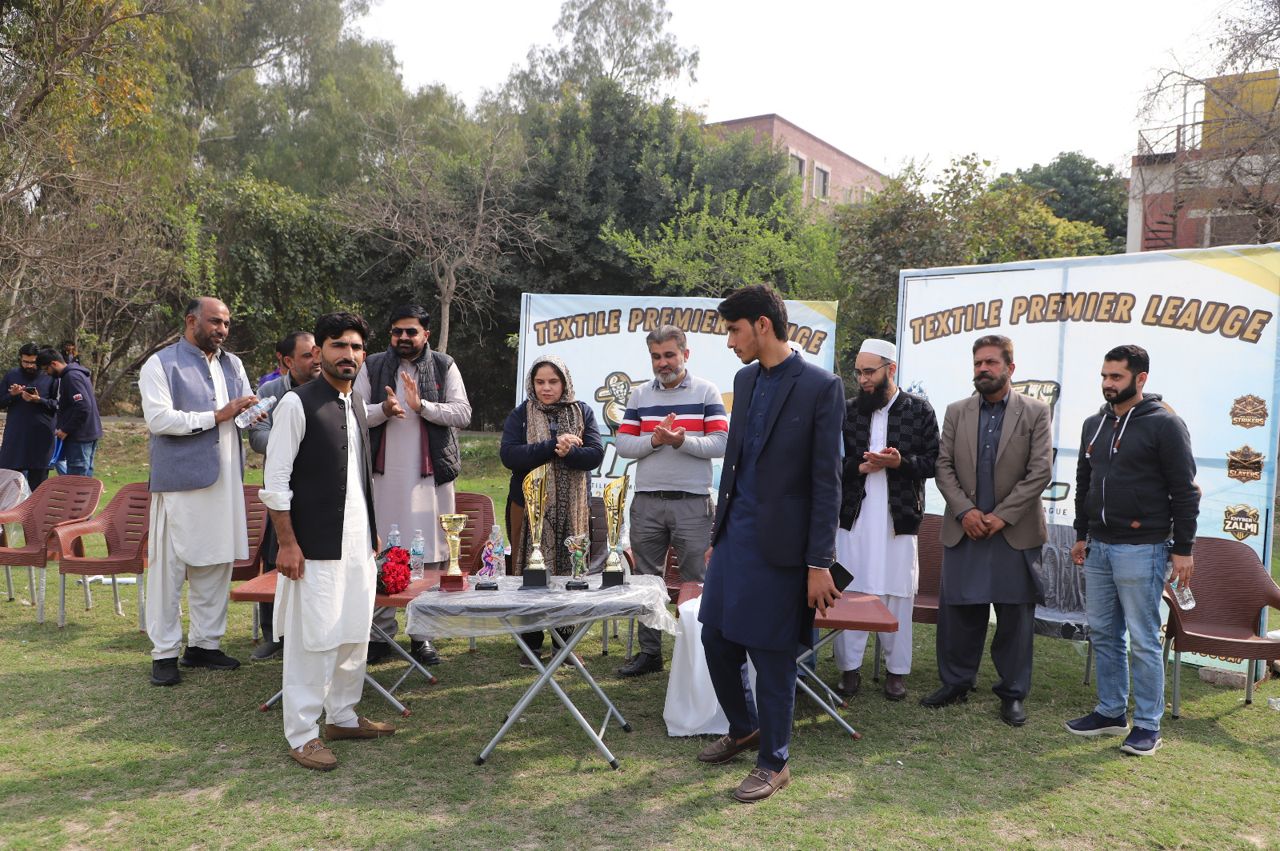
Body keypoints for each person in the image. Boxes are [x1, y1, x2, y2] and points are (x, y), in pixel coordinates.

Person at [696, 285, 844, 804]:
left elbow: (828, 483)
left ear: (763, 324)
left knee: (773, 654)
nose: (730, 342)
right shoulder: (744, 379)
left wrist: (819, 563)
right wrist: (718, 536)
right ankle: (745, 728)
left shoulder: (822, 387)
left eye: (734, 330)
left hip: (785, 548)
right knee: (715, 638)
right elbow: (735, 464)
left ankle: (774, 762)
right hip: (735, 538)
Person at [261, 311, 396, 771]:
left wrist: (370, 529)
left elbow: (358, 476)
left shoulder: (356, 403)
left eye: (356, 347)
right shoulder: (296, 404)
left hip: (357, 544)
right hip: (313, 545)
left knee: (354, 633)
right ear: (319, 352)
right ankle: (302, 734)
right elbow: (276, 481)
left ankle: (342, 717)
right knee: (313, 639)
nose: (348, 355)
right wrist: (287, 543)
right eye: (339, 345)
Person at [1065, 344, 1199, 757]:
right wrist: (1081, 533)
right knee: (1104, 634)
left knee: (1142, 639)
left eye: (1116, 377)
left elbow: (1185, 491)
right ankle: (1110, 712)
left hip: (1144, 548)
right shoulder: (1094, 424)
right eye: (1104, 376)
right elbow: (1084, 481)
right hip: (1099, 546)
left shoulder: (1165, 425)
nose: (1108, 384)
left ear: (1140, 379)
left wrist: (1183, 549)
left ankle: (1147, 725)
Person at [925, 334, 1052, 727]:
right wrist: (965, 512)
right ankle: (956, 683)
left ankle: (1012, 693)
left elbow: (1040, 471)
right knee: (959, 613)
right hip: (965, 529)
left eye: (991, 362)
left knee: (1015, 617)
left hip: (1013, 532)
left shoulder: (1035, 412)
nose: (983, 369)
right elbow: (943, 466)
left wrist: (1001, 516)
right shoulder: (956, 411)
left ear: (1010, 368)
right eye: (978, 362)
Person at [139, 297, 258, 687]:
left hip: (225, 480)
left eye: (226, 323)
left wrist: (253, 412)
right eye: (215, 322)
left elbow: (241, 415)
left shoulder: (232, 364)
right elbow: (159, 419)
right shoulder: (161, 363)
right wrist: (217, 416)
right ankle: (164, 652)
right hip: (179, 482)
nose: (222, 330)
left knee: (217, 562)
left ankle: (204, 645)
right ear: (191, 321)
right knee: (169, 569)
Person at [354, 305, 472, 667]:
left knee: (431, 552)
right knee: (381, 551)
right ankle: (379, 634)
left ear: (426, 334)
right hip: (382, 477)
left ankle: (423, 636)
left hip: (430, 479)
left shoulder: (444, 365)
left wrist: (423, 407)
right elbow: (353, 413)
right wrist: (383, 410)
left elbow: (463, 413)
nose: (403, 338)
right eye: (397, 331)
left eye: (411, 332)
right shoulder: (372, 365)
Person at [613, 325, 727, 677]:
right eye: (656, 356)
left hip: (692, 503)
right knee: (646, 581)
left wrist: (681, 441)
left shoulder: (706, 391)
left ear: (685, 354)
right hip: (647, 502)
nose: (663, 363)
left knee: (696, 580)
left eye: (669, 355)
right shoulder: (640, 396)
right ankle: (651, 654)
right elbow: (624, 445)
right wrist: (656, 441)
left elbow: (722, 443)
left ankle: (697, 654)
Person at [832, 338, 938, 702]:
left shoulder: (919, 410)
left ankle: (896, 673)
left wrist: (899, 463)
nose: (863, 379)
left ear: (891, 370)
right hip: (854, 518)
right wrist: (858, 467)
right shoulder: (848, 410)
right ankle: (849, 670)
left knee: (897, 593)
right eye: (858, 373)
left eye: (869, 372)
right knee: (850, 590)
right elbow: (831, 462)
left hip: (899, 520)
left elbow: (934, 462)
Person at [499, 354, 604, 665]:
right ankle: (530, 645)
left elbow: (595, 454)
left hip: (573, 510)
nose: (546, 388)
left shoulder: (582, 411)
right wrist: (551, 446)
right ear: (532, 384)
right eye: (540, 382)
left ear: (565, 383)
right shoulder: (521, 414)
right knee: (530, 573)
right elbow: (509, 456)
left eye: (553, 382)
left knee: (570, 570)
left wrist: (570, 452)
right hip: (528, 508)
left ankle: (564, 646)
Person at [247, 331, 321, 661]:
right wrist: (292, 440)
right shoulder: (269, 392)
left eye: (317, 352)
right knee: (275, 559)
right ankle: (273, 635)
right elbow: (257, 438)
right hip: (282, 492)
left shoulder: (330, 388)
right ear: (288, 361)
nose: (316, 360)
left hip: (320, 492)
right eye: (307, 355)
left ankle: (314, 630)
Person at [36, 348, 102, 477]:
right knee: (86, 478)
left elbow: (83, 407)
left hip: (79, 436)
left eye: (46, 369)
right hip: (88, 433)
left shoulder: (71, 377)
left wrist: (66, 429)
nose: (47, 373)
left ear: (54, 363)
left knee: (76, 478)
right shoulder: (77, 374)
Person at [0, 344, 57, 491]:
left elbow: (58, 405)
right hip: (16, 437)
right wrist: (12, 395)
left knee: (38, 487)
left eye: (33, 362)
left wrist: (39, 400)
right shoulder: (11, 375)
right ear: (20, 359)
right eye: (25, 362)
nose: (29, 366)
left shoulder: (50, 376)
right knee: (10, 485)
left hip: (41, 437)